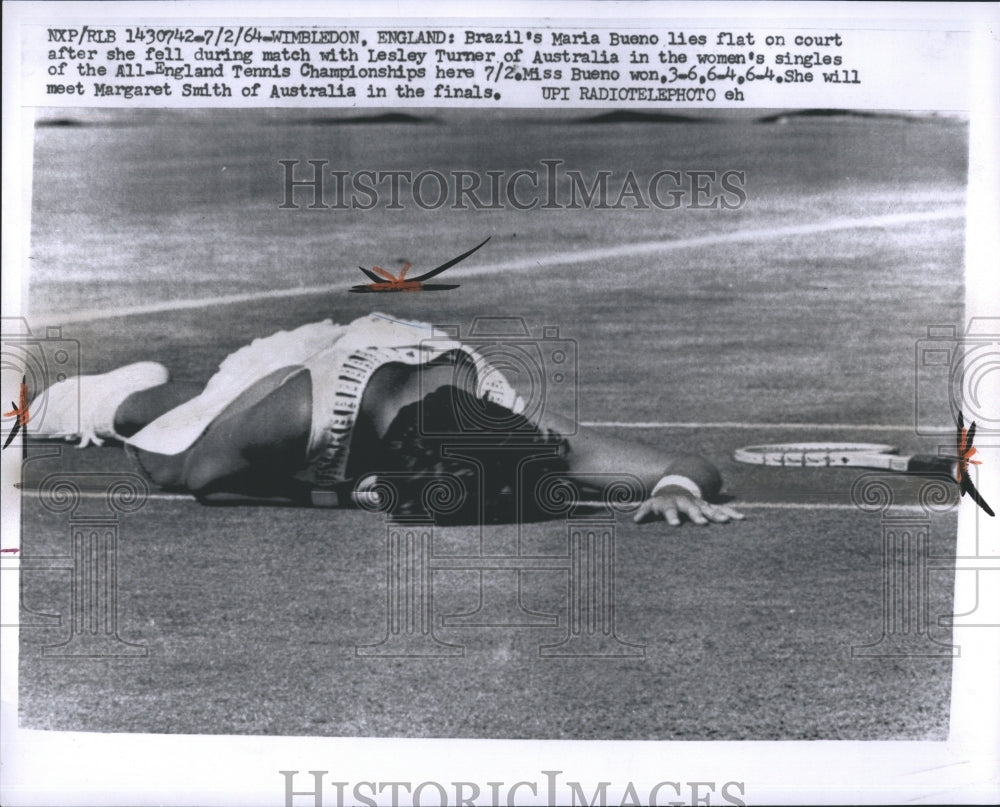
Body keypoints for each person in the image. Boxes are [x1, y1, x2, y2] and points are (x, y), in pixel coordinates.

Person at [31, 312, 743, 527]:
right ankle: (94, 400)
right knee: (170, 440)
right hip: (298, 370)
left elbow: (687, 465)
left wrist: (677, 487)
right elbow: (201, 480)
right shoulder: (294, 414)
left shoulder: (504, 423)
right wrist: (333, 491)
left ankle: (151, 392)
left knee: (196, 416)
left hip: (381, 375)